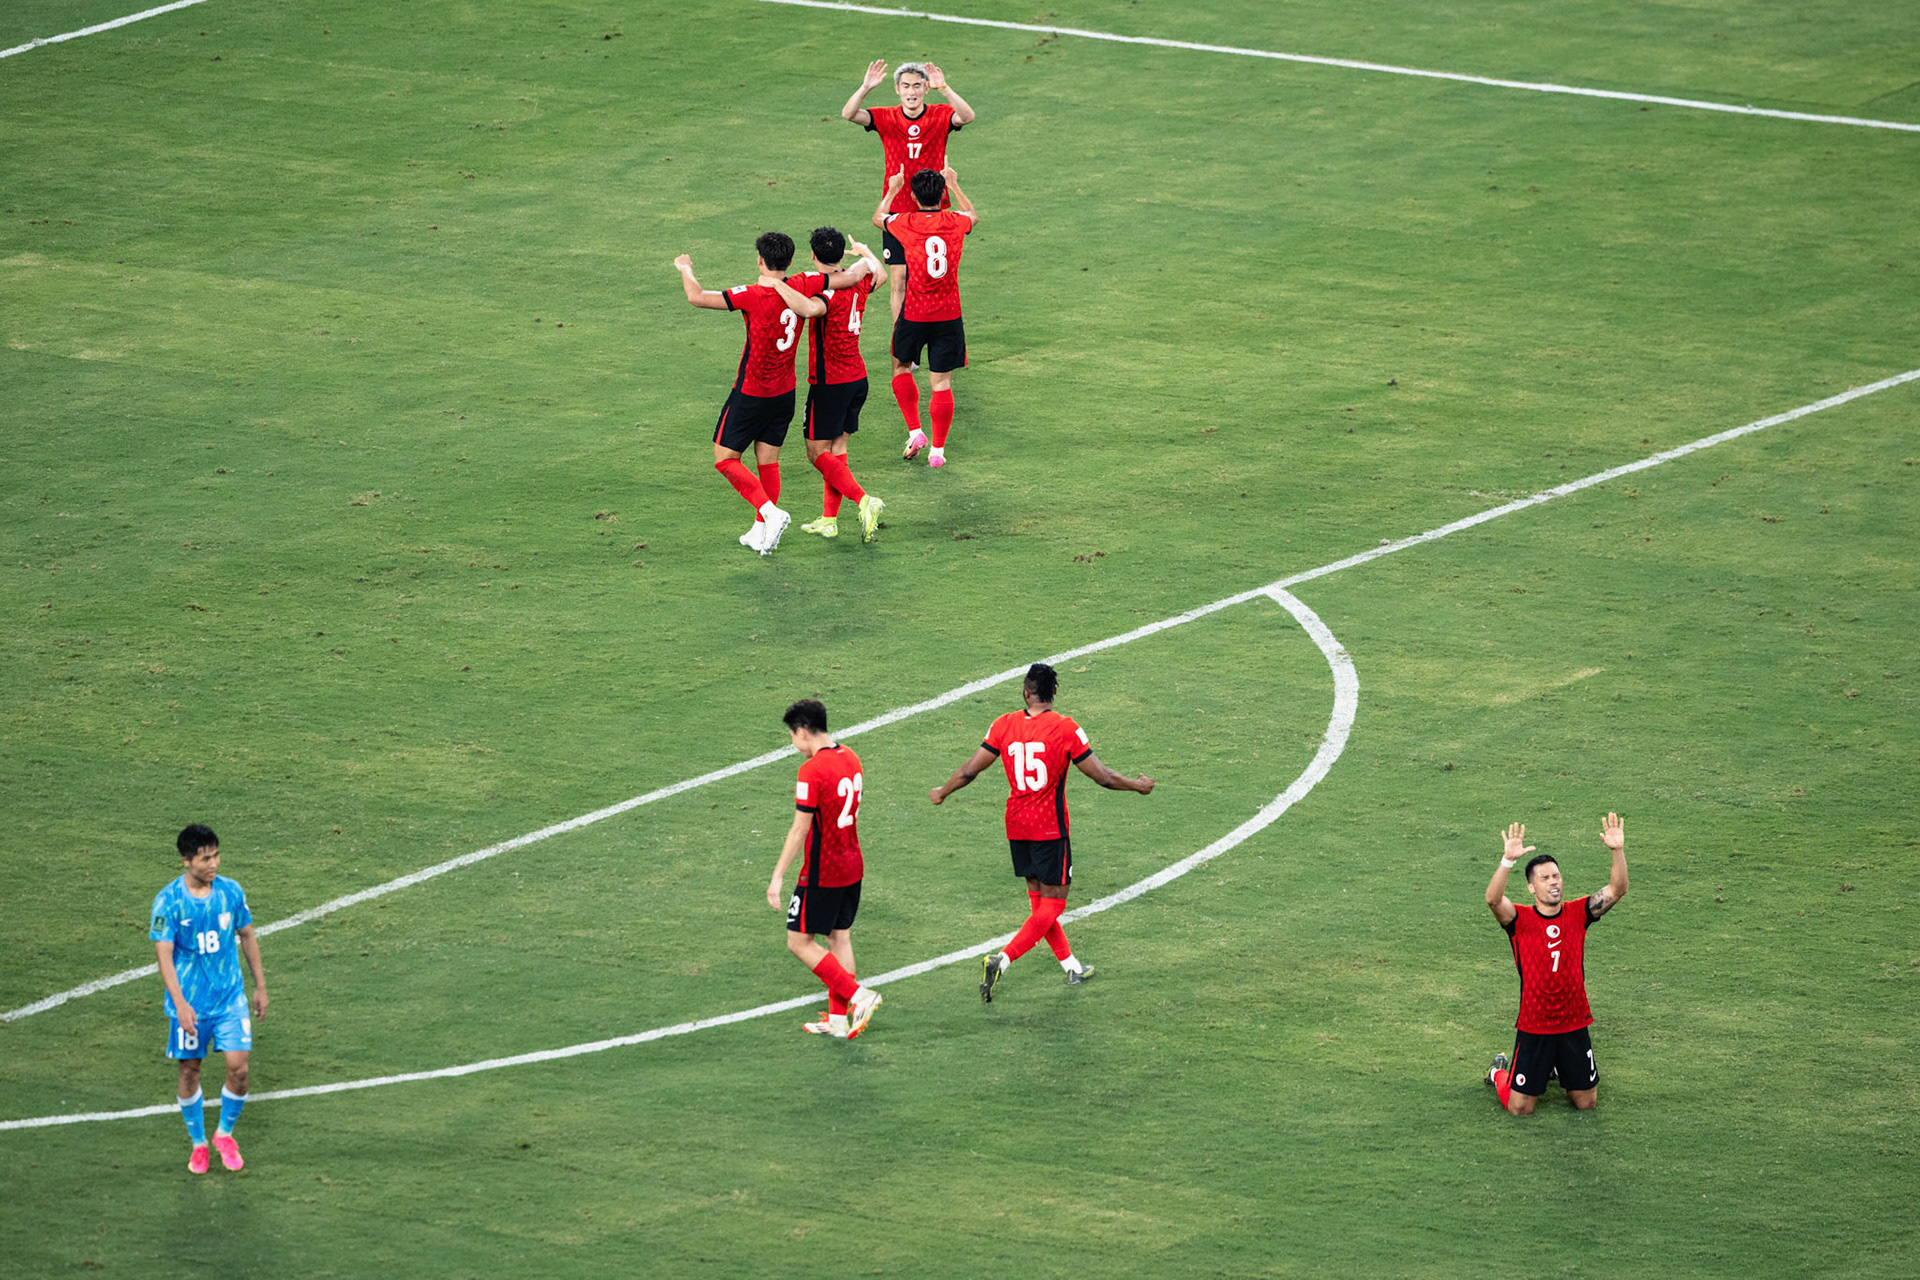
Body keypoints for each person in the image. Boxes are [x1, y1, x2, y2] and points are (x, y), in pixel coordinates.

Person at [928, 663, 1155, 1002]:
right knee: (1054, 904)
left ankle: (1072, 967)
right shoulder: (1065, 728)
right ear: (1055, 693)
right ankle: (1002, 959)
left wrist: (943, 791)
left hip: (1016, 825)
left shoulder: (1003, 724)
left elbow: (969, 771)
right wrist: (1138, 786)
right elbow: (1103, 777)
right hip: (1049, 828)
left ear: (1025, 692)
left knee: (1039, 902)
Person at [673, 233, 827, 553]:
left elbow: (697, 296)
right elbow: (843, 277)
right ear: (789, 260)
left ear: (760, 260)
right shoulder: (803, 283)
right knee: (768, 461)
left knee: (725, 459)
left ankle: (770, 513)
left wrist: (685, 268)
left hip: (751, 393)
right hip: (784, 394)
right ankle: (760, 531)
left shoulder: (751, 295)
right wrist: (867, 263)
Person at [1483, 814, 1629, 1115]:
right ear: (1531, 888)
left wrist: (1617, 850)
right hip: (1535, 1024)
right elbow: (1493, 900)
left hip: (1573, 1022)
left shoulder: (1580, 912)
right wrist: (1507, 860)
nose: (1554, 882)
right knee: (1520, 1108)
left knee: (1586, 1103)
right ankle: (1499, 1072)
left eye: (1557, 876)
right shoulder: (1519, 919)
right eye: (1545, 878)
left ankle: (1557, 1067)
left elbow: (1617, 890)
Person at [150, 823, 267, 1173]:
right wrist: (181, 1005)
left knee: (240, 1069)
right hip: (191, 1006)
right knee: (190, 1071)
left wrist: (259, 985)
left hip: (230, 999)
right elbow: (164, 956)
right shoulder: (168, 901)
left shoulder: (230, 892)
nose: (213, 864)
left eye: (216, 856)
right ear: (186, 860)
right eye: (205, 859)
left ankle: (224, 1134)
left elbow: (246, 935)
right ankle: (199, 1143)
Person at [767, 699, 883, 1038]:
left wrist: (777, 877)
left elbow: (800, 829)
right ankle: (837, 1020)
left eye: (792, 736)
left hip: (823, 870)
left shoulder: (812, 770)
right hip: (852, 863)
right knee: (838, 937)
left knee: (798, 941)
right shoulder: (851, 757)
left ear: (802, 732)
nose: (793, 744)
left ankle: (859, 996)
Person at [840, 59, 975, 326]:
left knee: (931, 277)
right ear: (897, 89)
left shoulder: (939, 114)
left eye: (916, 85)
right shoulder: (886, 117)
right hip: (898, 211)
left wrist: (945, 88)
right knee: (899, 280)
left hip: (933, 208)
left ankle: (932, 327)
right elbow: (849, 114)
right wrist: (865, 87)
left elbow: (967, 117)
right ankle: (903, 339)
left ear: (925, 88)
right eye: (905, 86)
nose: (911, 92)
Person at [787, 226, 888, 542]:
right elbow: (880, 276)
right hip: (857, 378)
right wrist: (865, 253)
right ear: (841, 252)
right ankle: (829, 520)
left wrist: (777, 288)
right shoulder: (859, 282)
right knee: (837, 448)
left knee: (816, 453)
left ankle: (864, 501)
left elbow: (809, 309)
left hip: (829, 382)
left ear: (814, 256)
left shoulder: (825, 294)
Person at [874, 167, 975, 467]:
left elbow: (878, 218)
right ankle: (938, 452)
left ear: (914, 196)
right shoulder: (956, 221)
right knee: (942, 383)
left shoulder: (906, 222)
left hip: (915, 313)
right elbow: (973, 215)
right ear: (943, 195)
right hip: (948, 315)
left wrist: (893, 190)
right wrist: (956, 184)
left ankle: (916, 431)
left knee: (901, 367)